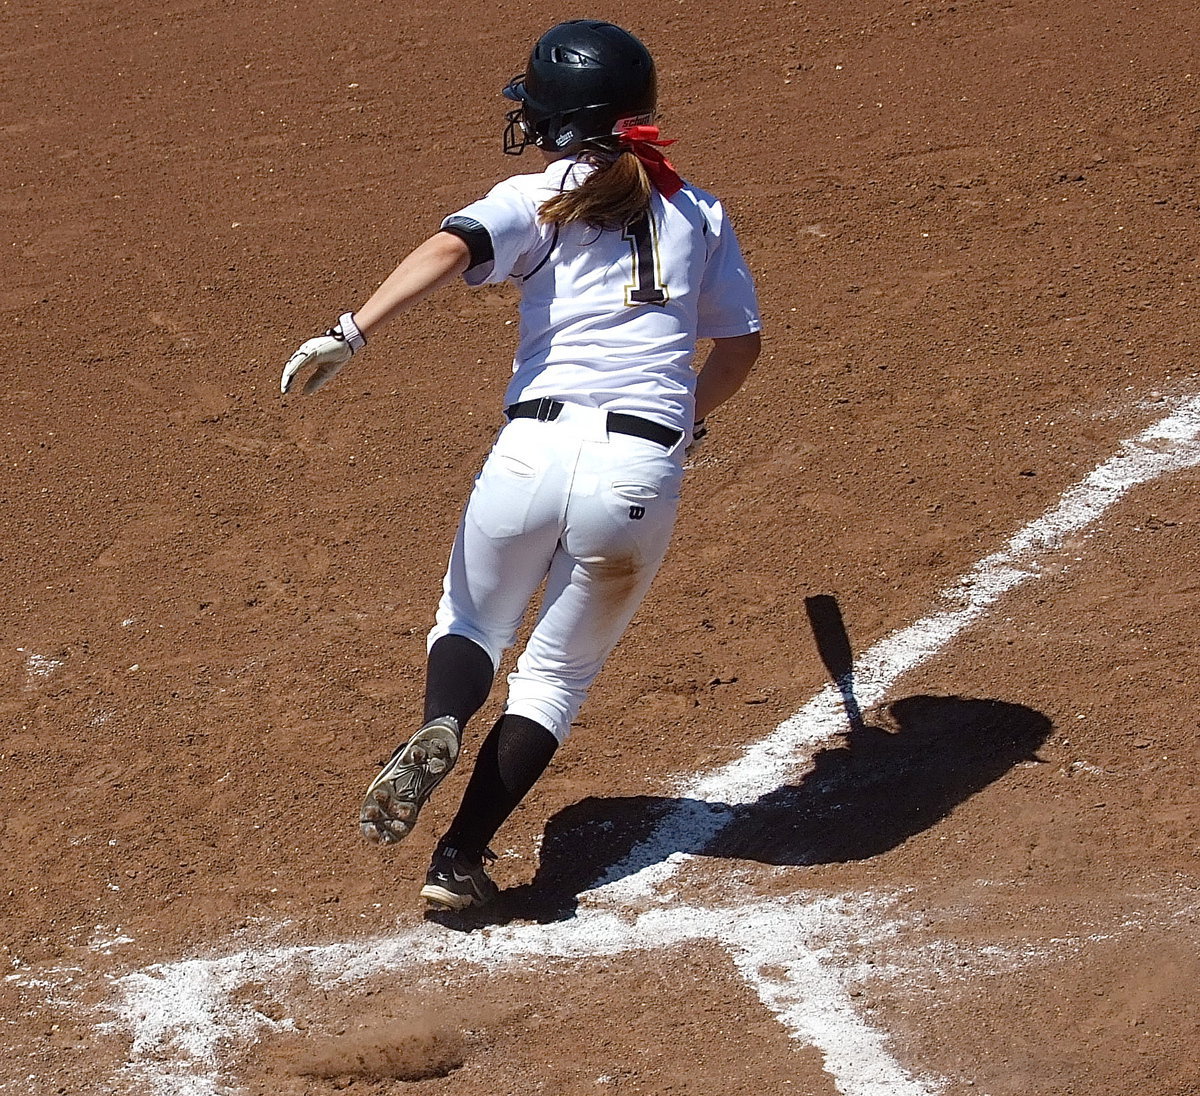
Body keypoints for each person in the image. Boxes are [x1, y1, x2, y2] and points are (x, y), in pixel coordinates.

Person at [280, 19, 761, 911]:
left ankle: (443, 719)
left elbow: (450, 247)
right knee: (555, 679)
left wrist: (351, 332)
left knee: (471, 620)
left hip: (531, 451)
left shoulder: (538, 197)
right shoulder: (698, 211)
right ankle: (458, 859)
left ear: (557, 118)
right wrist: (682, 425)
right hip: (638, 469)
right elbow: (738, 348)